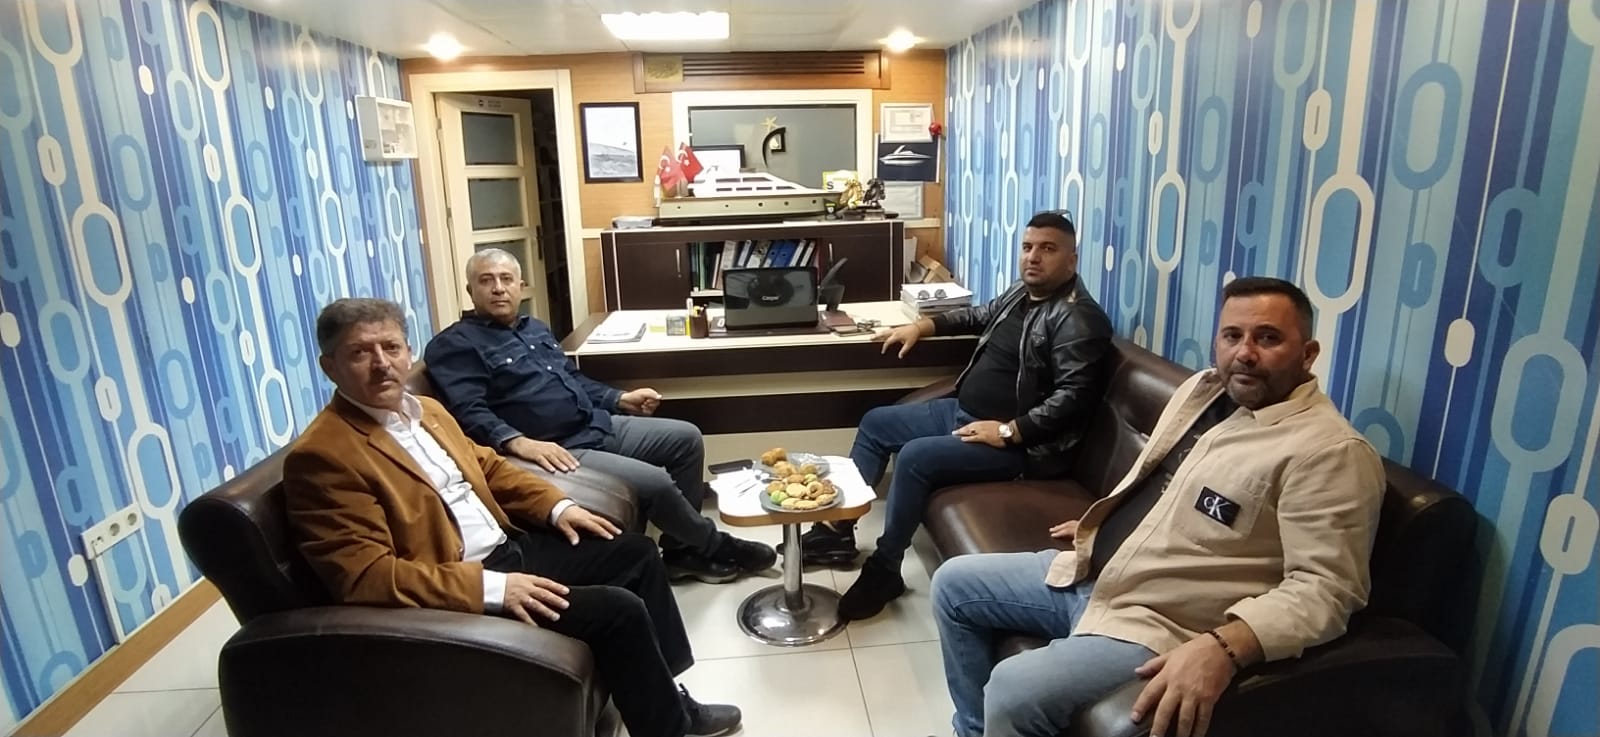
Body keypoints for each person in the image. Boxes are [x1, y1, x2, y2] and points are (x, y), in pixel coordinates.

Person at [929, 277, 1386, 737]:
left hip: (1158, 623)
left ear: (1308, 354)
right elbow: (1158, 483)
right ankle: (973, 730)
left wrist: (1226, 647)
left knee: (1013, 688)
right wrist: (1104, 521)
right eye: (1232, 336)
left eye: (1267, 338)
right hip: (1097, 573)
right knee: (953, 586)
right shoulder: (1204, 392)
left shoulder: (1329, 452)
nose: (1245, 353)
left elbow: (1327, 590)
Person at [283, 298, 741, 737]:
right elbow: (367, 578)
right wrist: (495, 589)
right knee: (618, 611)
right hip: (462, 581)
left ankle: (667, 697)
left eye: (391, 347)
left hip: (506, 548)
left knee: (637, 554)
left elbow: (487, 467)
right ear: (330, 367)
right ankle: (665, 728)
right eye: (360, 353)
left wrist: (557, 506)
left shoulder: (426, 412)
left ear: (407, 351)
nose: (382, 363)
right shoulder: (324, 456)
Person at [819, 210, 1115, 621]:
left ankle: (885, 569)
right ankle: (837, 532)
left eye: (1048, 249)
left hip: (1020, 448)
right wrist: (922, 327)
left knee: (915, 458)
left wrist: (1010, 431)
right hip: (964, 412)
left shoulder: (1079, 319)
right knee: (876, 423)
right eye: (1028, 247)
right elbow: (979, 315)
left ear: (1072, 260)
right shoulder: (1022, 293)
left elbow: (1073, 398)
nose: (1033, 257)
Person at [423, 249, 774, 584]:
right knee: (656, 482)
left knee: (686, 438)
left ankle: (683, 551)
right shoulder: (456, 344)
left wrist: (618, 398)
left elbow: (572, 379)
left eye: (506, 279)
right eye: (486, 280)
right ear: (470, 290)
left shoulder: (534, 328)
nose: (498, 288)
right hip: (557, 448)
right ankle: (714, 544)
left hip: (594, 424)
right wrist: (517, 442)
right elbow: (468, 410)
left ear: (520, 286)